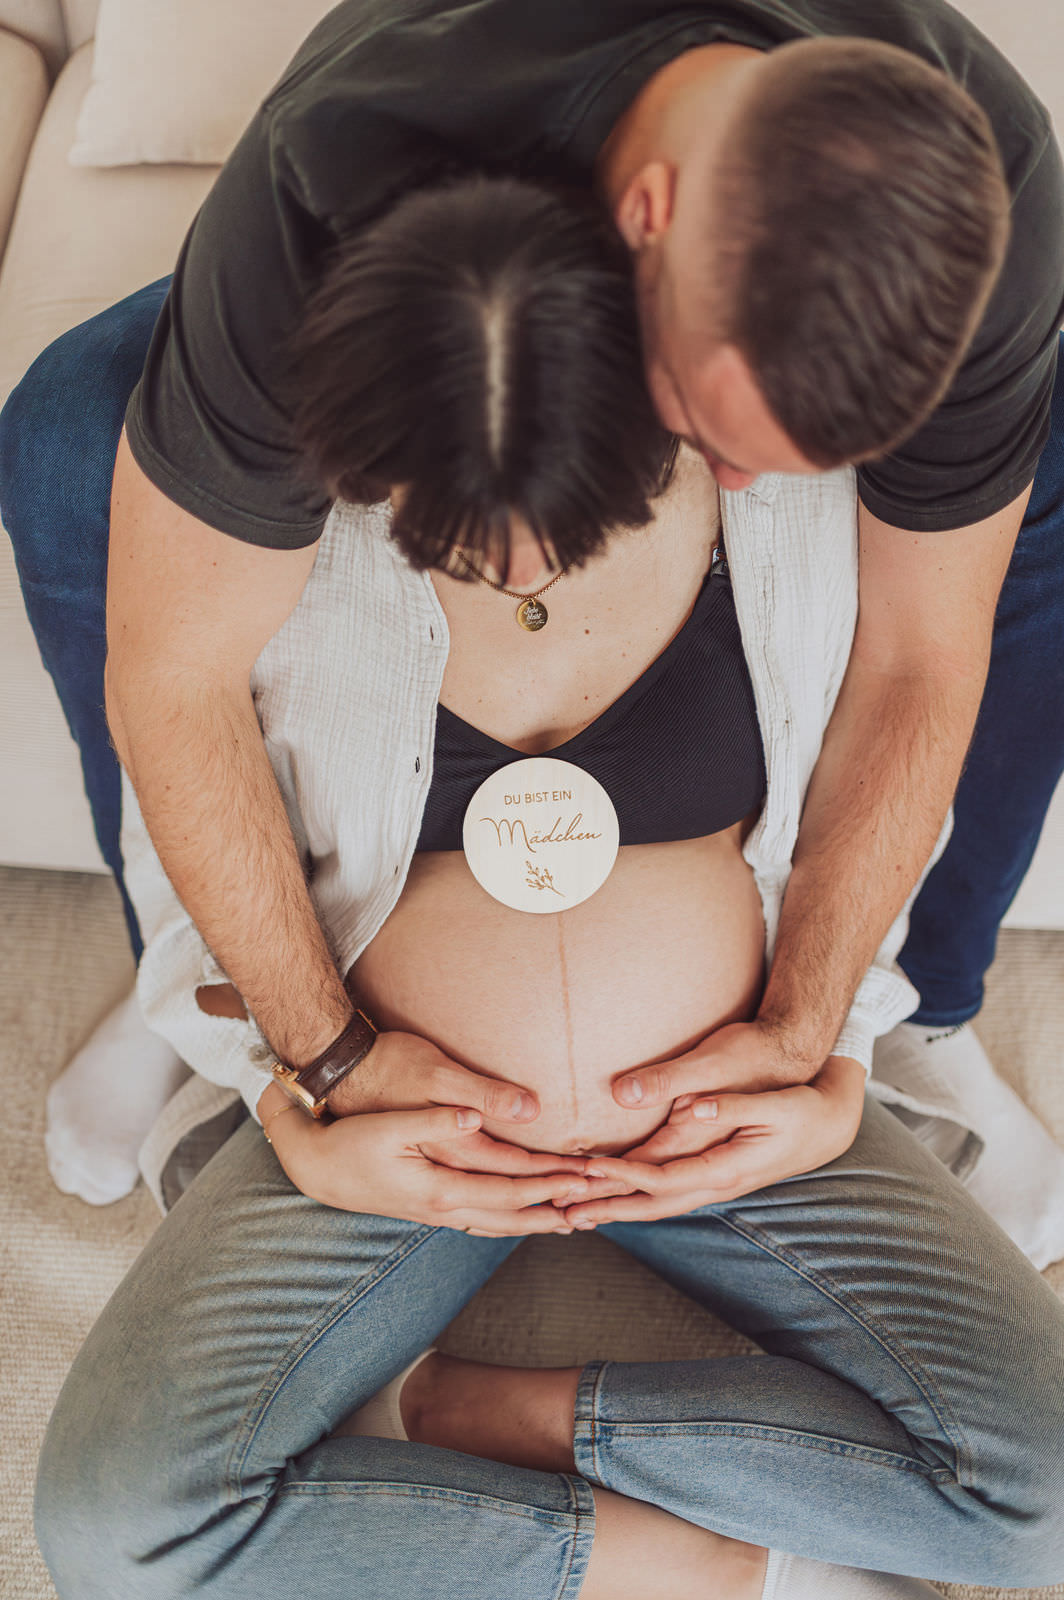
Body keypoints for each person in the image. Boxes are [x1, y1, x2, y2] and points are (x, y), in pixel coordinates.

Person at [34, 175, 1064, 1600]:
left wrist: (816, 1041)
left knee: (1045, 1507)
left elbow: (900, 728)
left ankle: (482, 1410)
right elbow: (182, 772)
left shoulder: (792, 477)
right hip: (409, 1126)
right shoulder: (262, 517)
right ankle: (699, 1569)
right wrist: (320, 1080)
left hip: (725, 1108)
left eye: (566, 527)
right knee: (112, 1533)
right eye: (446, 531)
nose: (513, 571)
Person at [3, 2, 1064, 1212]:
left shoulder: (992, 190)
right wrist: (316, 1052)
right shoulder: (335, 173)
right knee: (69, 430)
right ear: (648, 219)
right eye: (707, 428)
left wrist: (816, 1025)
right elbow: (174, 673)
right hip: (413, 268)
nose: (738, 489)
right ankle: (189, 975)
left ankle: (931, 994)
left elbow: (924, 650)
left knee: (1050, 452)